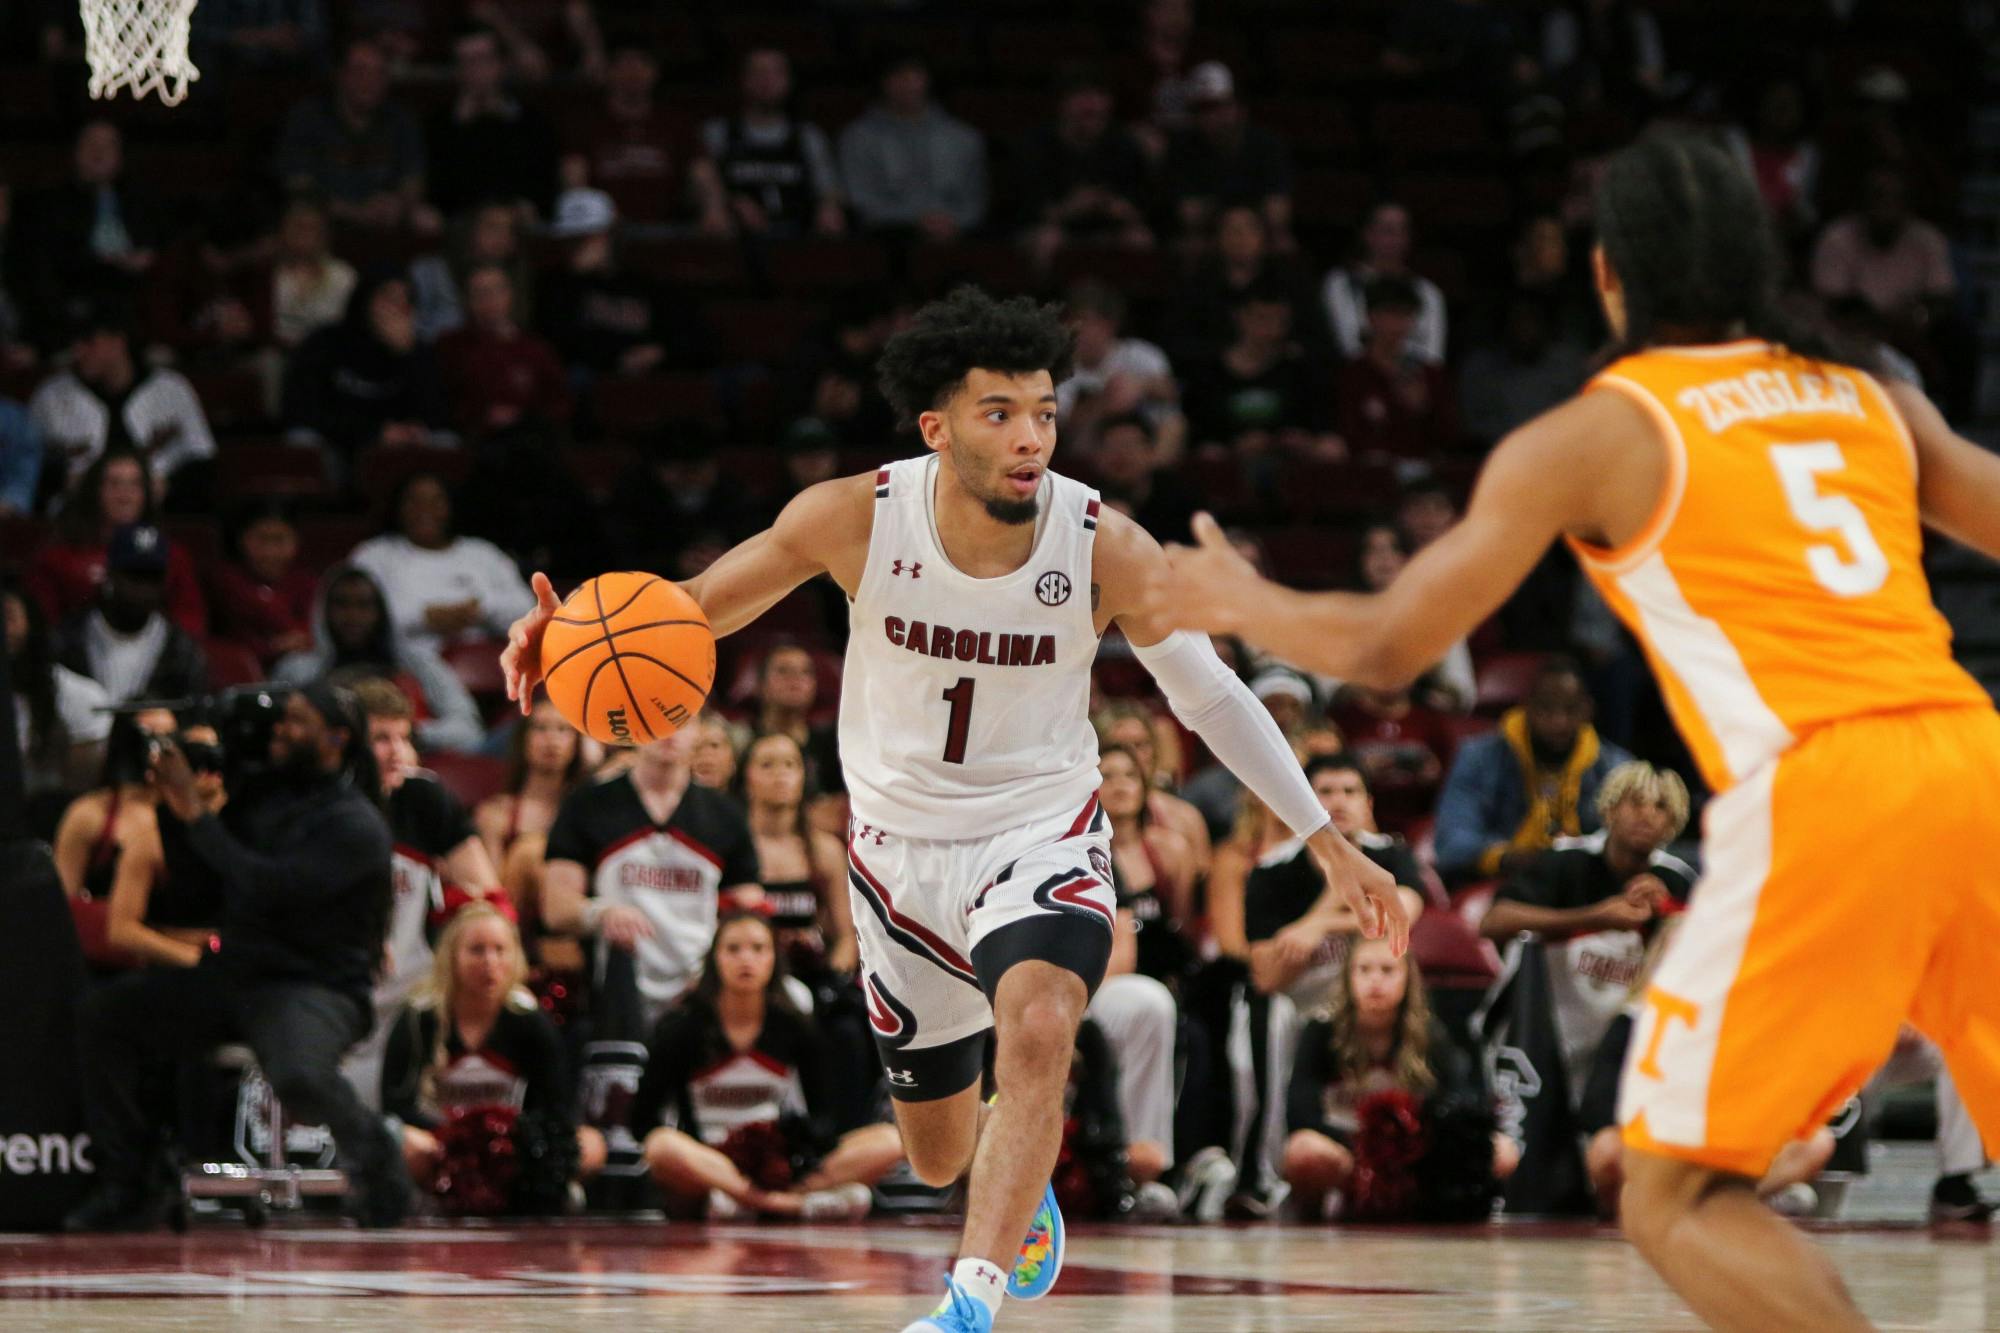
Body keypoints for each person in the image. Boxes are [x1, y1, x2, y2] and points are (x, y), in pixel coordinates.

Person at [1157, 128, 2000, 1332]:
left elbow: (1395, 642)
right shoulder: (1870, 393)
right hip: (1972, 755)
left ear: (1611, 274)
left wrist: (1243, 600)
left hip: (1829, 783)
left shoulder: (1605, 428)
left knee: (1671, 1193)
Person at [500, 284, 1404, 1333]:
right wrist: (569, 646)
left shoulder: (1104, 543)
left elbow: (1204, 692)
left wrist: (1323, 837)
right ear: (935, 427)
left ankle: (966, 1305)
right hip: (895, 859)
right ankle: (1011, 1172)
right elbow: (687, 611)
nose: (1030, 438)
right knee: (934, 1151)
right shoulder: (851, 517)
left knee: (1039, 1020)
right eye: (999, 413)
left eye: (1045, 412)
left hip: (1038, 830)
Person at [65, 683, 407, 1231]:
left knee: (299, 1074)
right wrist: (178, 810)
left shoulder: (354, 823)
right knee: (105, 1016)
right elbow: (203, 883)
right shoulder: (261, 796)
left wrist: (197, 816)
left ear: (335, 739)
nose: (278, 729)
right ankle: (131, 1181)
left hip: (312, 985)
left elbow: (267, 885)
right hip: (237, 975)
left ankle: (378, 1159)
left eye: (295, 722)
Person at [631, 909, 905, 1220]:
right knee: (661, 1147)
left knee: (890, 1141)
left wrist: (790, 1157)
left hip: (778, 1163)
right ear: (714, 958)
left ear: (774, 958)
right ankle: (786, 1205)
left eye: (759, 949)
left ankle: (759, 1202)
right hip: (710, 1164)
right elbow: (643, 1121)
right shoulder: (682, 1027)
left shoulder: (794, 1025)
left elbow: (824, 1115)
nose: (746, 959)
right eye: (733, 949)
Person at [1479, 760, 1695, 1092]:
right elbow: (1495, 921)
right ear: (1609, 809)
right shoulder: (1566, 859)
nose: (1647, 814)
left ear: (1673, 824)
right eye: (1636, 802)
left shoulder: (1677, 880)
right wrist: (1596, 917)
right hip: (1537, 1034)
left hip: (1617, 1054)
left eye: (1661, 807)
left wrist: (1667, 917)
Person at [341, 678, 503, 1108]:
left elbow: (489, 898)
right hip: (335, 992)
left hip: (411, 996)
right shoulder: (322, 804)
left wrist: (456, 916)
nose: (398, 752)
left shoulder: (424, 797)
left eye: (405, 738)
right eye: (381, 738)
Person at [540, 725, 762, 1028]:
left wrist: (715, 973)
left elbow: (748, 916)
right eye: (657, 716)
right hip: (614, 989)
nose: (668, 731)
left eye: (681, 719)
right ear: (633, 727)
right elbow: (556, 908)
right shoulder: (589, 805)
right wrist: (601, 912)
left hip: (699, 989)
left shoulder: (725, 815)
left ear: (699, 730)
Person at [1282, 937, 1515, 1218]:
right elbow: (1300, 1112)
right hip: (1348, 1155)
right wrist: (1365, 1151)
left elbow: (1461, 1104)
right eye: (1364, 969)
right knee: (1303, 1151)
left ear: (1408, 980)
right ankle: (1318, 1212)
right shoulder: (1321, 1032)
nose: (1375, 980)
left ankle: (1430, 1208)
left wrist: (1411, 1149)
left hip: (1411, 1158)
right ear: (1348, 978)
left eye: (1387, 970)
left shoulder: (1430, 1035)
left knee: (1503, 1150)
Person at [381, 901, 604, 1192]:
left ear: (516, 956)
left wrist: (508, 1137)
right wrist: (458, 1137)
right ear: (452, 957)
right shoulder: (419, 1017)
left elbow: (555, 1107)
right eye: (477, 950)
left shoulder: (529, 1019)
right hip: (439, 1145)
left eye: (500, 950)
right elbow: (395, 1106)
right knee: (398, 1139)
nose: (490, 961)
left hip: (510, 1148)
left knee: (592, 1145)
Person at [1432, 657, 1631, 884]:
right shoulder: (1479, 757)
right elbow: (1450, 844)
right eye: (1546, 707)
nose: (1558, 721)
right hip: (1502, 882)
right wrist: (1510, 857)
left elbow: (1637, 845)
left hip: (1587, 883)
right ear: (1526, 706)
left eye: (1570, 709)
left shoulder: (1617, 768)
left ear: (1588, 710)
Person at [274, 565, 485, 754]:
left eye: (364, 605)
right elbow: (276, 732)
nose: (353, 616)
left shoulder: (418, 663)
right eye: (342, 604)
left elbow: (468, 730)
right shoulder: (298, 669)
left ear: (382, 612)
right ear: (323, 612)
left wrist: (405, 734)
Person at [29, 303, 216, 502]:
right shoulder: (50, 395)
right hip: (77, 513)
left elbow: (203, 458)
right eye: (74, 343)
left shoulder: (171, 388)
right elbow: (29, 465)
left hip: (162, 510)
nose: (78, 352)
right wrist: (65, 480)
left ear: (118, 341)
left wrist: (167, 485)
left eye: (88, 341)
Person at [349, 471, 536, 654]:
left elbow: (528, 611)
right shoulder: (373, 555)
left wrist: (480, 611)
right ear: (398, 507)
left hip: (483, 666)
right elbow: (354, 615)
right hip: (400, 667)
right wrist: (424, 618)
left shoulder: (483, 553)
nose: (425, 509)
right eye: (414, 501)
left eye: (436, 501)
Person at [27, 447, 205, 637]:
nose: (125, 496)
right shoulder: (57, 556)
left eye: (135, 485)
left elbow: (191, 623)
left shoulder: (173, 556)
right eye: (114, 484)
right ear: (94, 490)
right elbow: (41, 627)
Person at [97, 711, 227, 970]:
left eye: (214, 753)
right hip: (186, 968)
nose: (207, 765)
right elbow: (122, 929)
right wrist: (197, 961)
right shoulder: (151, 840)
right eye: (195, 755)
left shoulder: (254, 825)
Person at [282, 269, 453, 458]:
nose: (395, 309)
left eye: (404, 301)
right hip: (339, 440)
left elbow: (437, 415)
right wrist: (373, 432)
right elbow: (304, 410)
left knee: (445, 442)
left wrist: (409, 356)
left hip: (401, 445)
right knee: (302, 441)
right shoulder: (326, 342)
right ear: (365, 300)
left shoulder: (417, 349)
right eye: (388, 299)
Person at [275, 38, 437, 235]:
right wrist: (355, 212)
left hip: (385, 221)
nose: (370, 80)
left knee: (428, 220)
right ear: (341, 75)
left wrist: (399, 203)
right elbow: (298, 186)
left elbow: (413, 178)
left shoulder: (401, 120)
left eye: (379, 73)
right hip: (326, 222)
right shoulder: (308, 118)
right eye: (360, 71)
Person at [562, 43, 728, 232]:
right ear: (609, 72)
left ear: (654, 72)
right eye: (625, 66)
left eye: (641, 65)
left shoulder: (676, 124)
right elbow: (574, 181)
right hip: (604, 230)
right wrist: (595, 214)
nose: (633, 73)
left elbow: (702, 174)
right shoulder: (587, 124)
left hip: (667, 229)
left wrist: (713, 208)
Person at [737, 731, 855, 979]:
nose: (780, 774)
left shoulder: (826, 850)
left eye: (790, 764)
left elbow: (848, 937)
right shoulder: (731, 848)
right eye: (767, 764)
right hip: (745, 979)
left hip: (813, 980)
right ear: (746, 776)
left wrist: (833, 987)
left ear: (804, 776)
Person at [1012, 68, 1154, 271]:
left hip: (1108, 229)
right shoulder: (1037, 145)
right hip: (1055, 229)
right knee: (1047, 239)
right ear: (1062, 104)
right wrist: (1071, 207)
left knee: (1139, 240)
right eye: (1081, 97)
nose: (1092, 104)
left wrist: (1112, 206)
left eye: (1099, 97)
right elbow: (1031, 209)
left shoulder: (1124, 145)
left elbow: (1140, 205)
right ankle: (1045, 300)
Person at [837, 51, 988, 242]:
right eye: (898, 76)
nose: (908, 84)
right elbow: (861, 201)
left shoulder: (964, 137)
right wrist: (915, 220)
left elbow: (976, 202)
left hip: (958, 239)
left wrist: (952, 221)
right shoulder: (858, 137)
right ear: (883, 82)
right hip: (887, 240)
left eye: (915, 75)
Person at [701, 47, 848, 239]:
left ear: (789, 81)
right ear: (743, 79)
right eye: (758, 72)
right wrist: (728, 202)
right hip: (736, 240)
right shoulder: (717, 133)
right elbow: (698, 188)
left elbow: (828, 189)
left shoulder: (808, 136)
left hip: (797, 239)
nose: (766, 80)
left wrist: (829, 208)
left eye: (775, 72)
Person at [54, 524, 208, 706]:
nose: (143, 590)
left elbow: (193, 721)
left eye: (152, 579)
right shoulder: (68, 639)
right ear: (110, 575)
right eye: (134, 577)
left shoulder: (182, 651)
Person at [426, 25, 559, 220]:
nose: (475, 69)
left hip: (516, 221)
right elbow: (436, 190)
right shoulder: (440, 124)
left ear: (501, 64)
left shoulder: (531, 120)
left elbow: (544, 183)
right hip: (460, 224)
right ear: (457, 70)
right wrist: (460, 127)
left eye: (482, 59)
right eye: (466, 61)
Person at [1161, 63, 1295, 255]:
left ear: (1239, 108)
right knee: (1190, 246)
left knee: (1283, 244)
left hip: (1256, 233)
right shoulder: (1183, 149)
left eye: (1219, 106)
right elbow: (1189, 216)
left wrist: (1238, 219)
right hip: (1209, 236)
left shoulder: (1266, 146)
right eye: (1203, 109)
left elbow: (1278, 214)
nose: (1213, 116)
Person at [3, 578, 110, 815]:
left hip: (52, 820)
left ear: (32, 622)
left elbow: (82, 795)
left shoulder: (80, 697)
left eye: (8, 617)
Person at [435, 264, 572, 442]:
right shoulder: (452, 345)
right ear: (468, 300)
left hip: (530, 438)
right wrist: (482, 415)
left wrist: (524, 417)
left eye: (497, 290)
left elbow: (559, 401)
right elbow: (446, 401)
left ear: (510, 295)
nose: (490, 300)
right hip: (477, 440)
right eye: (480, 293)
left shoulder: (535, 349)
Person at [1338, 276, 1462, 464]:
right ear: (1371, 317)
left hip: (1421, 476)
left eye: (1405, 315)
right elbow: (1345, 434)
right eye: (1390, 314)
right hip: (1366, 476)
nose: (1397, 325)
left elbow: (1451, 437)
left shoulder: (1429, 374)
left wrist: (1423, 408)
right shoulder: (1352, 375)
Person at [1322, 202, 1448, 366]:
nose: (1396, 239)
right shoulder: (1340, 284)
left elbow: (1433, 357)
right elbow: (1348, 346)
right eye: (1388, 230)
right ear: (1367, 234)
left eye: (1402, 231)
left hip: (1412, 383)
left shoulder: (1428, 292)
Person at [475, 696, 587, 870]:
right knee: (531, 851)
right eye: (540, 728)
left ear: (577, 742)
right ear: (523, 738)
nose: (552, 739)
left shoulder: (586, 810)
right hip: (511, 893)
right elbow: (492, 887)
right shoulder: (495, 813)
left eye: (563, 729)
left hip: (568, 893)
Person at [207, 500, 318, 670]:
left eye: (279, 540)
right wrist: (277, 646)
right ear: (241, 540)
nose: (270, 552)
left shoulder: (306, 582)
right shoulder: (225, 580)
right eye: (261, 539)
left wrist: (305, 638)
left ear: (296, 541)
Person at [269, 194, 358, 353]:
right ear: (282, 231)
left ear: (324, 234)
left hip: (327, 358)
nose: (304, 235)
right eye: (298, 227)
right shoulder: (268, 273)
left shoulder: (344, 277)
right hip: (276, 353)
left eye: (312, 228)